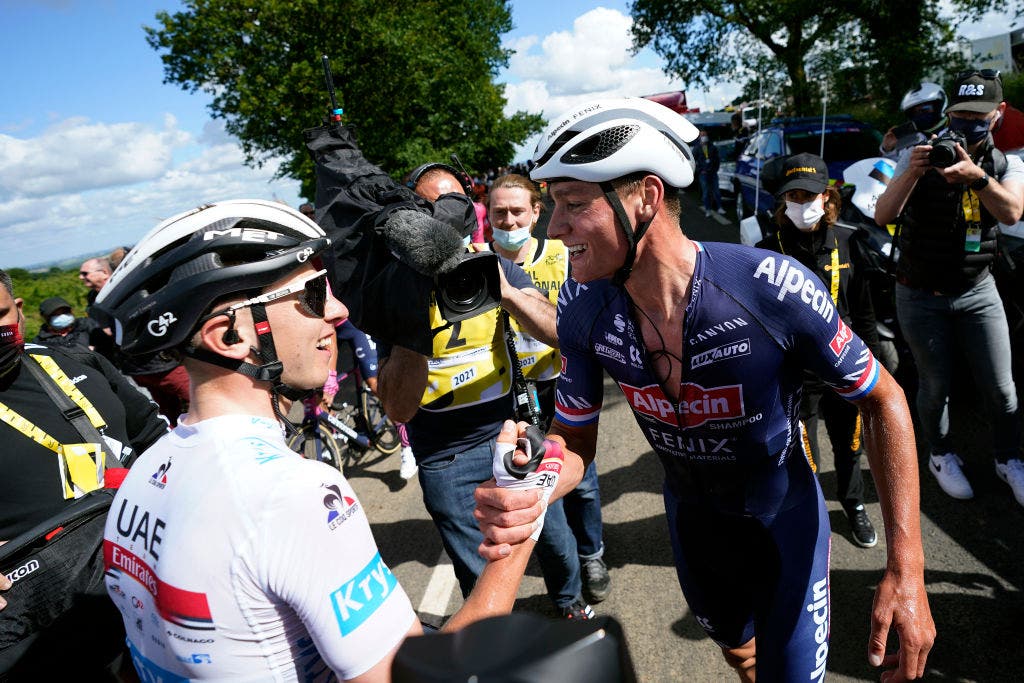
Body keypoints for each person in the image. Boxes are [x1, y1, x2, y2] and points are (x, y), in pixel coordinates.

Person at [474, 97, 935, 681]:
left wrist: (907, 570)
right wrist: (534, 487)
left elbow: (883, 397)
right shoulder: (582, 304)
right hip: (694, 525)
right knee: (741, 654)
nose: (554, 227)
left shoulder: (769, 286)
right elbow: (574, 438)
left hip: (783, 520)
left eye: (574, 204)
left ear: (646, 196)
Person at [94, 199, 545, 681]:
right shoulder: (293, 494)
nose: (337, 310)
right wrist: (518, 532)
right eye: (312, 295)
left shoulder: (144, 472)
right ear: (229, 336)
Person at [379, 166, 594, 620]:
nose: (444, 221)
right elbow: (396, 406)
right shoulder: (392, 284)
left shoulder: (491, 261)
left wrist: (505, 291)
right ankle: (496, 642)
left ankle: (570, 602)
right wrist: (413, 311)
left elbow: (559, 330)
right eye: (430, 210)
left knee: (553, 538)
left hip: (510, 431)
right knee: (480, 567)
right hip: (444, 453)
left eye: (454, 206)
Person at [0, 269, 168, 677]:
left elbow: (155, 437)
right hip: (50, 631)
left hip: (156, 587)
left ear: (18, 309)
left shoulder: (76, 361)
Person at [875, 69, 1024, 506]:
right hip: (919, 293)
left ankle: (1008, 458)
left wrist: (977, 178)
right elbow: (883, 214)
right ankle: (940, 454)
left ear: (997, 113)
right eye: (959, 114)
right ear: (948, 112)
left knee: (1001, 387)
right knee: (934, 384)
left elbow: (1012, 213)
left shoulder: (1005, 163)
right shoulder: (918, 154)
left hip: (977, 290)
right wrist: (912, 171)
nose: (967, 123)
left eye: (978, 115)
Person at [484, 173, 611, 602]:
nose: (509, 221)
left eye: (518, 211)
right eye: (499, 212)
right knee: (526, 477)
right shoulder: (477, 261)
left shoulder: (562, 253)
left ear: (536, 212)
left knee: (582, 479)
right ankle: (562, 559)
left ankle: (592, 554)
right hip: (508, 392)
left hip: (560, 382)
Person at [756, 153, 881, 548]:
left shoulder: (849, 241)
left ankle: (853, 503)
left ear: (827, 197)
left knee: (850, 444)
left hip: (843, 366)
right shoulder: (766, 249)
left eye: (808, 195)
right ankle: (812, 513)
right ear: (782, 200)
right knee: (803, 450)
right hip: (796, 375)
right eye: (792, 196)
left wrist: (875, 369)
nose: (801, 203)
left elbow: (864, 313)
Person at [83, 255, 191, 426]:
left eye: (85, 273)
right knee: (168, 408)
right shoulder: (95, 299)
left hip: (160, 361)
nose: (81, 277)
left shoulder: (130, 290)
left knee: (195, 396)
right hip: (138, 367)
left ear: (104, 273)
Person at [334, 317, 419, 479]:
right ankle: (332, 434)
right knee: (316, 385)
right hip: (327, 331)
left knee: (375, 384)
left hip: (350, 325)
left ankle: (407, 444)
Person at [881, 82, 949, 160]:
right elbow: (895, 164)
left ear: (939, 106)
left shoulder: (954, 129)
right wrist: (887, 149)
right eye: (914, 112)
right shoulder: (910, 139)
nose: (920, 115)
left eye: (925, 109)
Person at [32, 296, 106, 351]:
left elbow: (106, 343)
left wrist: (95, 349)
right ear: (45, 317)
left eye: (65, 312)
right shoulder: (40, 341)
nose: (62, 316)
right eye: (55, 314)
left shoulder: (86, 325)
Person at [692, 129, 725, 217]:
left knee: (716, 191)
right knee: (706, 192)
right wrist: (699, 170)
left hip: (713, 173)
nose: (704, 137)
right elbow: (693, 161)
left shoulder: (712, 147)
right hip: (703, 174)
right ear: (699, 137)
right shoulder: (697, 148)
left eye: (705, 135)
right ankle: (708, 209)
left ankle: (719, 207)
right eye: (702, 135)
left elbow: (717, 159)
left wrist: (715, 169)